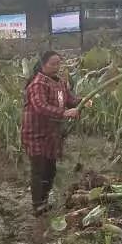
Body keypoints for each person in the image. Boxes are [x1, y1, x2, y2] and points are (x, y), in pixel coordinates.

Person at [21, 51, 80, 212]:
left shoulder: (59, 82)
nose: (56, 67)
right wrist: (64, 113)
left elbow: (69, 100)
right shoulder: (38, 84)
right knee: (39, 169)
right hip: (36, 133)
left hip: (52, 134)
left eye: (58, 64)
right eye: (52, 64)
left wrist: (82, 102)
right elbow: (40, 106)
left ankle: (44, 200)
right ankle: (37, 205)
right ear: (43, 64)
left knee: (50, 169)